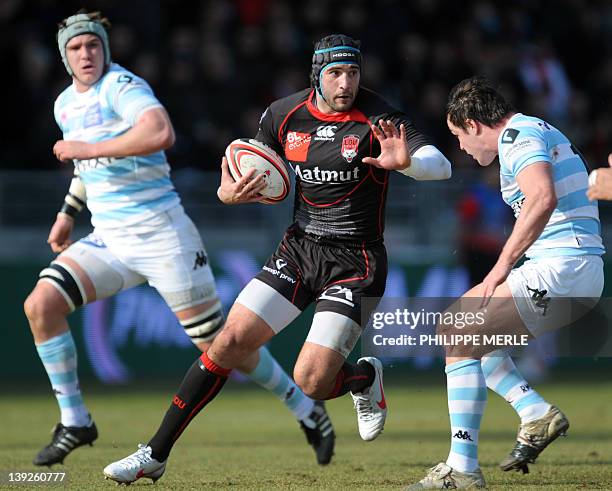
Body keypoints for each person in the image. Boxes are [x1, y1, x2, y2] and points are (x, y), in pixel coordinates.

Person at [103, 34, 452, 484]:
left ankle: (363, 380)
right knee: (226, 343)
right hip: (299, 249)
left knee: (311, 382)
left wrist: (407, 163)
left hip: (357, 262)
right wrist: (226, 192)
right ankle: (154, 453)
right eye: (335, 73)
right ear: (316, 75)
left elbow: (439, 165)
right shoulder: (283, 114)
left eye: (353, 72)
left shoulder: (380, 116)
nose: (345, 83)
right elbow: (246, 172)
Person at [25, 10, 334, 468]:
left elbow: (158, 132)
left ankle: (305, 406)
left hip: (162, 236)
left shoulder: (122, 87)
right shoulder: (65, 103)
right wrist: (68, 213)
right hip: (109, 237)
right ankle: (75, 421)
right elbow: (86, 165)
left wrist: (85, 150)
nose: (86, 53)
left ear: (104, 50)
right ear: (65, 58)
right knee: (40, 306)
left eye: (92, 44)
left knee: (220, 347)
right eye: (75, 48)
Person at [406, 76, 604, 490]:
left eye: (458, 136)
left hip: (562, 267)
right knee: (457, 328)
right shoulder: (533, 129)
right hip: (568, 266)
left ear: (473, 124)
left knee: (458, 332)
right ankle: (534, 412)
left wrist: (501, 266)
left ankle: (462, 468)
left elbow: (542, 197)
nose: (460, 147)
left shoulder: (518, 136)